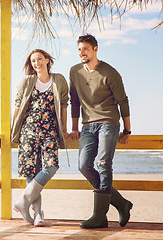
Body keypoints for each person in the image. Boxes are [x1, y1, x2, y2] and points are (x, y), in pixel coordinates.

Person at [69, 34, 133, 229]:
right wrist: (74, 127)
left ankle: (100, 216)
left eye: (86, 49)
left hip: (108, 122)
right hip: (87, 125)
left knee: (104, 163)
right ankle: (121, 203)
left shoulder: (110, 73)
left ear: (95, 49)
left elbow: (123, 102)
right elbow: (75, 100)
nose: (82, 53)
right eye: (79, 49)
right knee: (84, 165)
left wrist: (127, 130)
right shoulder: (74, 72)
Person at [11, 49, 69, 226]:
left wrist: (64, 129)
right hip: (28, 131)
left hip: (50, 131)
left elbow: (64, 105)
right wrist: (13, 129)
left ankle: (23, 202)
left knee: (51, 167)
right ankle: (38, 214)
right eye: (33, 61)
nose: (37, 63)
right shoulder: (27, 81)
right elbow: (19, 106)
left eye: (39, 59)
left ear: (47, 60)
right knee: (31, 172)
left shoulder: (58, 80)